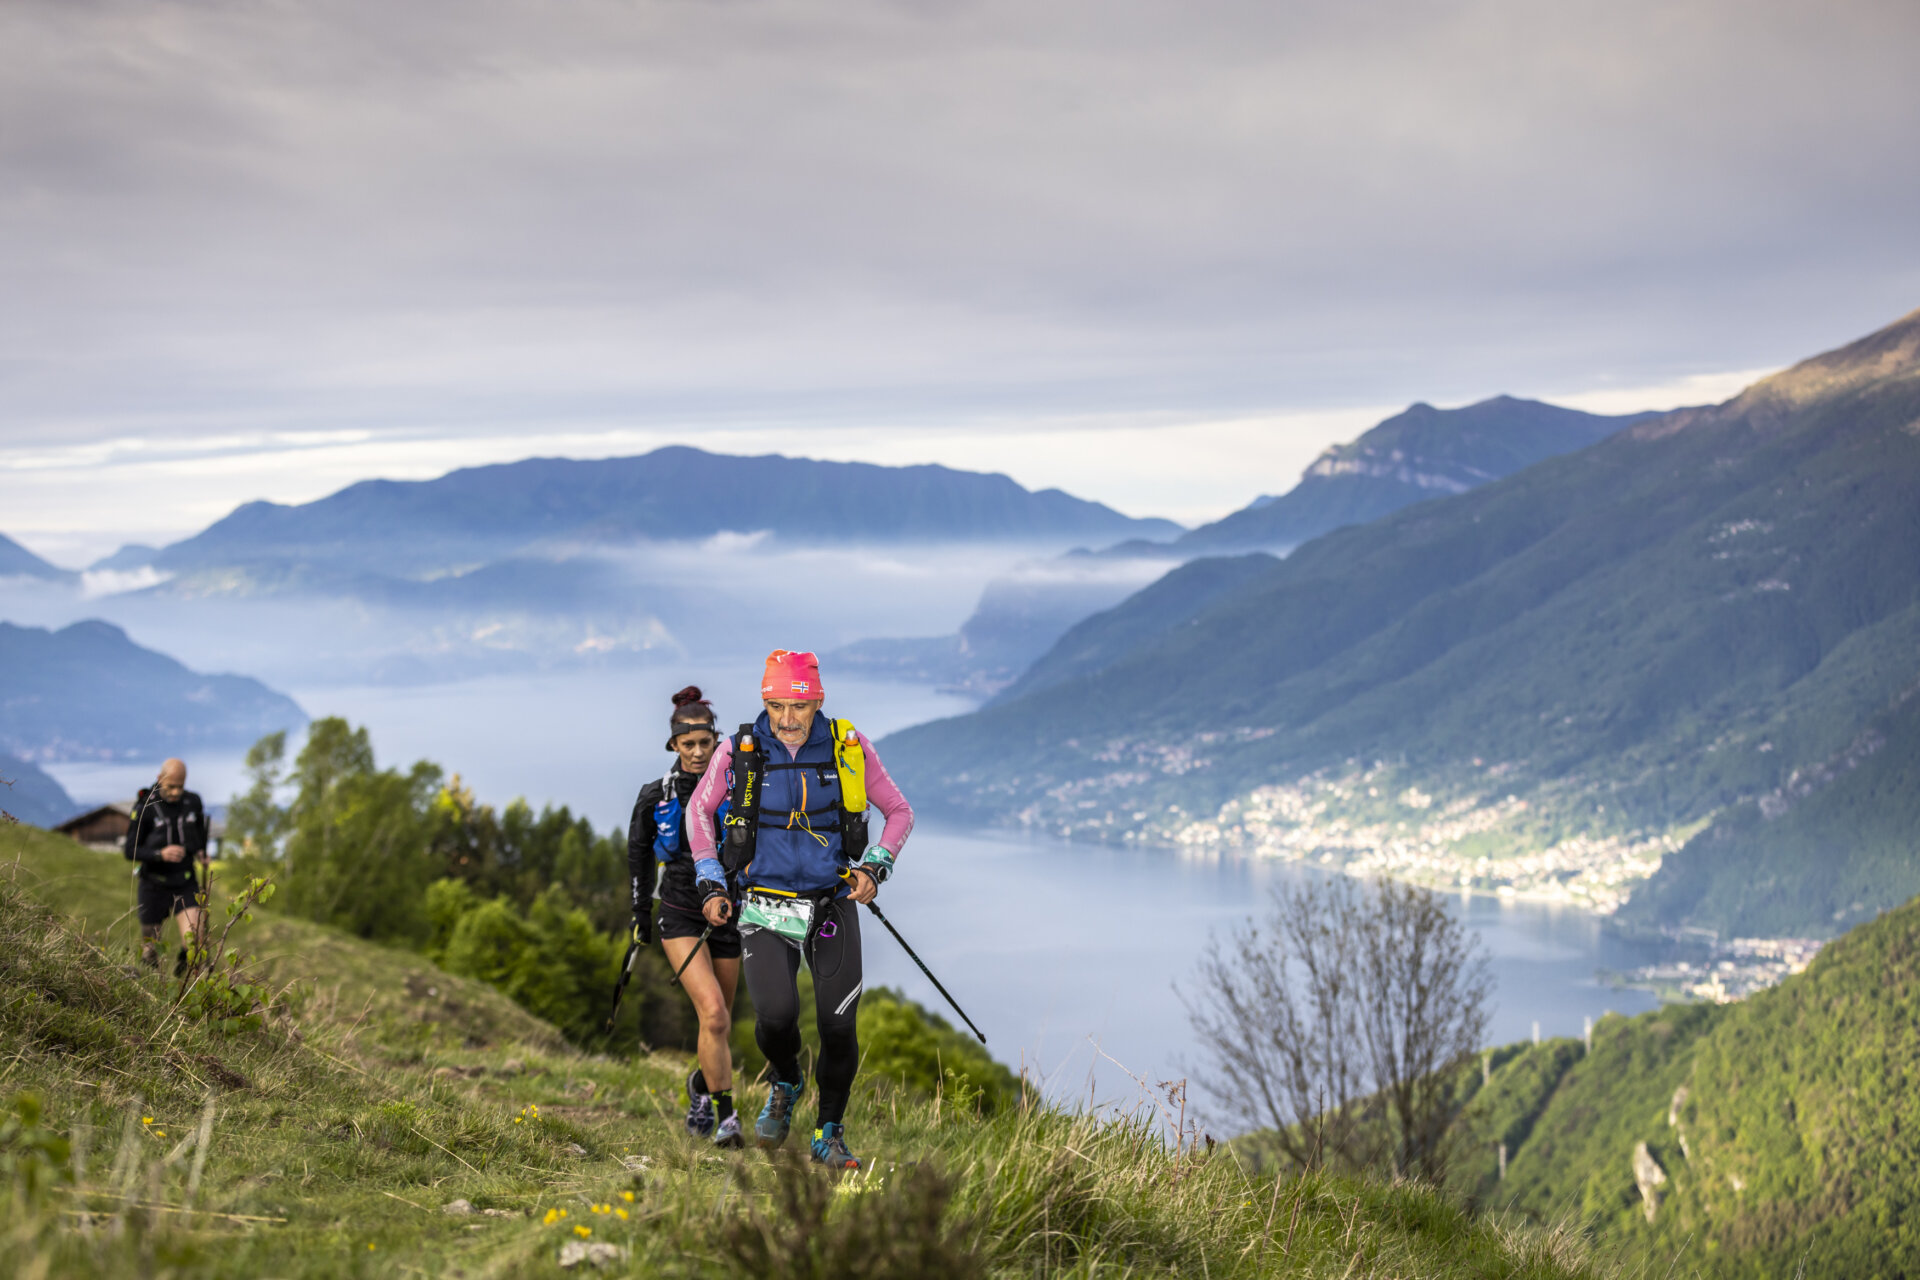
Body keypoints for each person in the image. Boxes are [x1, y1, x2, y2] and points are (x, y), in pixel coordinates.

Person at [687, 649, 914, 1171]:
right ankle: (786, 1080)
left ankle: (828, 1132)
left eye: (798, 707)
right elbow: (701, 810)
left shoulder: (846, 748)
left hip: (830, 901)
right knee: (775, 1017)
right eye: (774, 706)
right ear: (763, 701)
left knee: (838, 1025)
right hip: (761, 904)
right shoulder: (740, 749)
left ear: (818, 701)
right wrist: (710, 877)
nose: (786, 721)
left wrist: (875, 866)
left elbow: (899, 811)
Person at [627, 687, 747, 1147]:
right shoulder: (655, 795)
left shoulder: (738, 788)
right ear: (674, 746)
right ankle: (726, 1120)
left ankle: (700, 1085)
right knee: (714, 1015)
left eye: (705, 743)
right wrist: (639, 915)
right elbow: (637, 856)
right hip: (679, 913)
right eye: (688, 744)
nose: (698, 753)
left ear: (717, 741)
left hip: (728, 916)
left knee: (719, 1024)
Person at [122, 757, 209, 973]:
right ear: (160, 779)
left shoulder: (192, 802)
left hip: (185, 881)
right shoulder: (145, 807)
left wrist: (201, 853)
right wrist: (160, 854)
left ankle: (183, 988)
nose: (176, 792)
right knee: (151, 950)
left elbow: (199, 834)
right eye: (171, 786)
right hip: (153, 883)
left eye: (180, 786)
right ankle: (152, 995)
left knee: (195, 942)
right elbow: (130, 850)